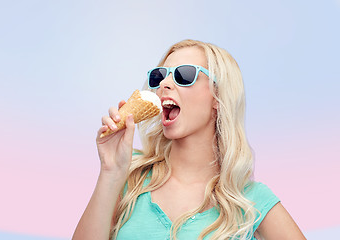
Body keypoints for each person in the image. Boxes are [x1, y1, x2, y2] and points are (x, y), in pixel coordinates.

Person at [72, 39, 306, 240]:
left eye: (184, 75)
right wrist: (111, 171)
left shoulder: (250, 200)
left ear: (218, 95)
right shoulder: (129, 178)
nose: (164, 84)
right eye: (159, 76)